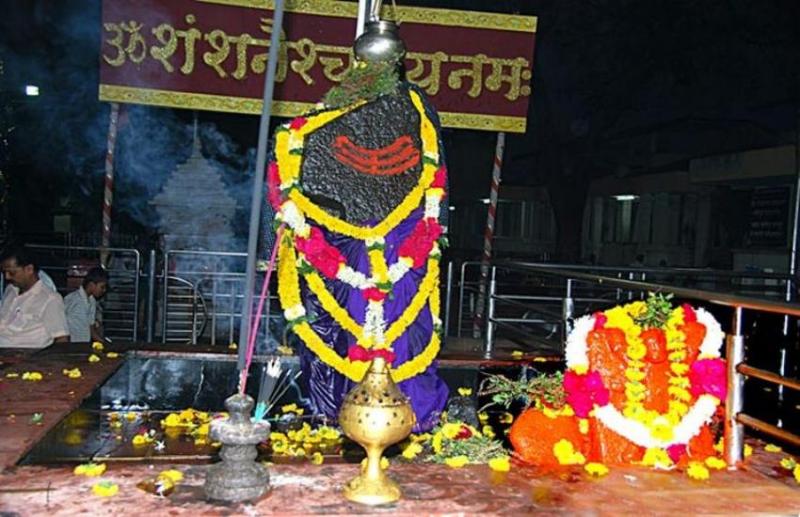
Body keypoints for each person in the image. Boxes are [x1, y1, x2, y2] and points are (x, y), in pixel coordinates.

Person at [0, 246, 69, 349]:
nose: (7, 277)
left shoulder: (50, 299)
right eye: (4, 272)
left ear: (29, 269)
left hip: (24, 356)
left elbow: (61, 339)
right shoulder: (10, 290)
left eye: (12, 273)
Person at [64, 267, 109, 343]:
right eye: (102, 287)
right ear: (91, 285)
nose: (104, 290)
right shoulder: (72, 300)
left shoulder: (92, 301)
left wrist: (103, 342)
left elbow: (91, 328)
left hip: (83, 343)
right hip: (70, 344)